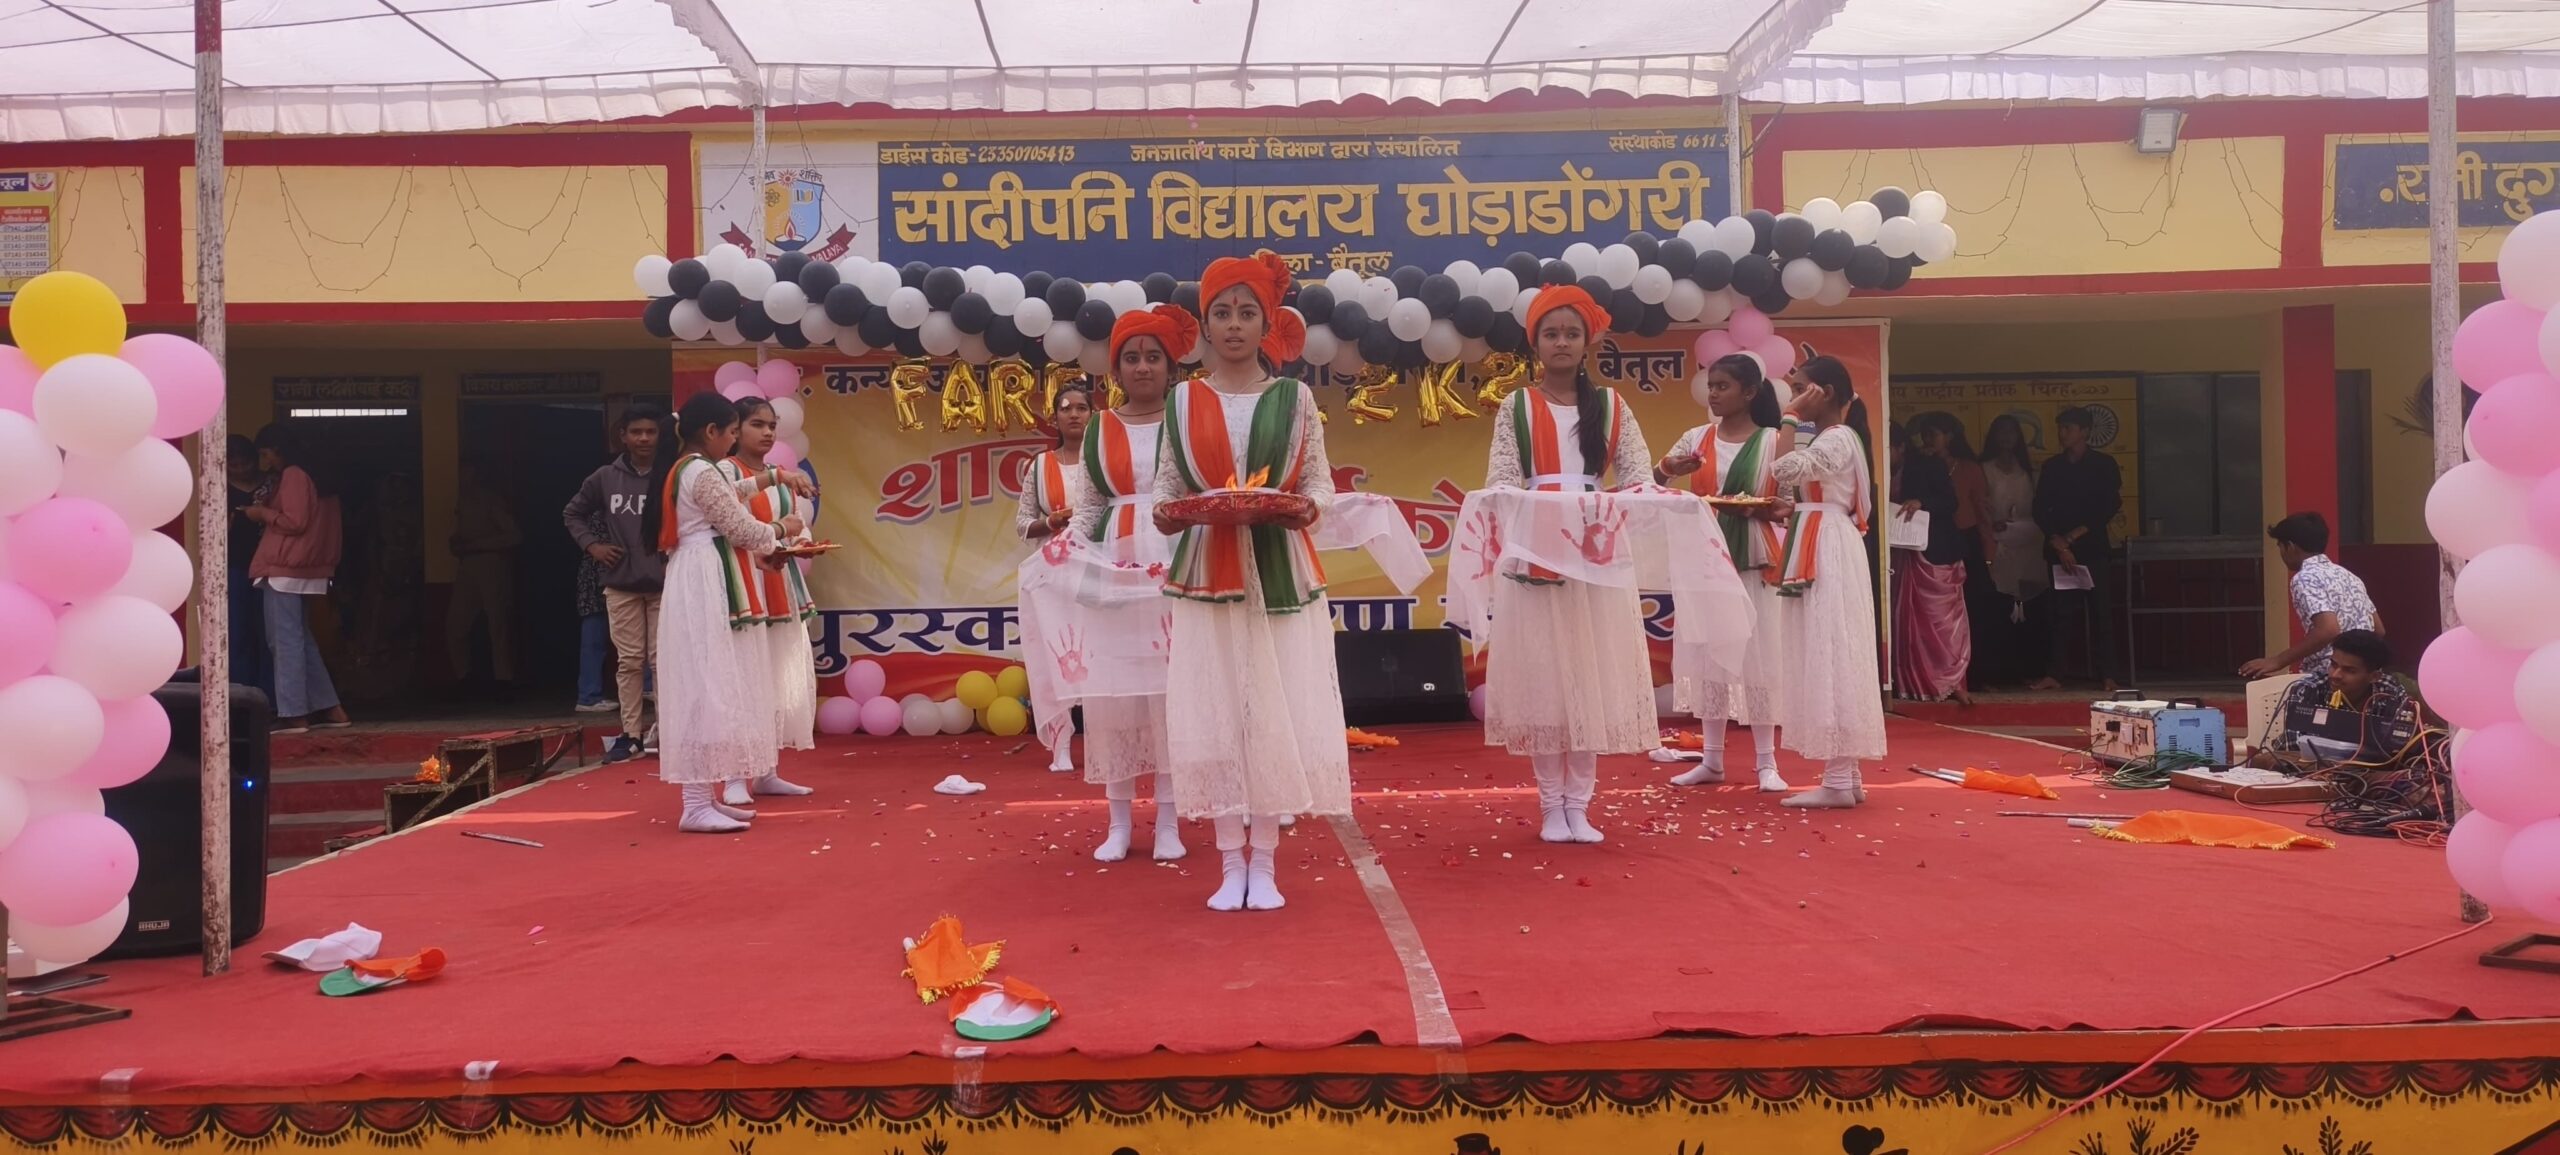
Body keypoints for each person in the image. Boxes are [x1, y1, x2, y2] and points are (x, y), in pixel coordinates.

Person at [1152, 250, 1347, 911]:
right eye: (1221, 313)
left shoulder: (1295, 398)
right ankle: (1228, 861)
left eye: (1246, 313)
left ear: (1268, 323)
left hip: (1279, 570)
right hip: (1209, 572)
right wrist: (1168, 513)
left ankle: (1263, 862)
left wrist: (1305, 507)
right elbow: (1166, 489)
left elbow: (1318, 481)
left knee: (1273, 715)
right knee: (1217, 717)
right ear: (1205, 325)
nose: (1233, 325)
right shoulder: (1183, 400)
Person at [1477, 284, 1657, 844]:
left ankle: (1580, 805)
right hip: (1535, 549)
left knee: (1588, 677)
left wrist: (1628, 504)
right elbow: (1502, 478)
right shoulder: (1516, 405)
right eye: (1551, 333)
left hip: (1595, 550)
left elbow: (1638, 476)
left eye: (1571, 333)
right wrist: (1522, 514)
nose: (1561, 342)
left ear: (1587, 343)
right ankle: (1551, 806)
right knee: (1545, 680)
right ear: (1535, 344)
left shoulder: (1612, 406)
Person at [1063, 303, 1196, 863]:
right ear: (1115, 370)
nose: (1143, 367)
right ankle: (1118, 823)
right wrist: (1068, 551)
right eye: (1132, 358)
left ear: (1170, 367)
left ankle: (1168, 821)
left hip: (1175, 561)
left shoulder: (1187, 420)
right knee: (1112, 697)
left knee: (1169, 697)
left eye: (1153, 357)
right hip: (1111, 569)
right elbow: (1089, 504)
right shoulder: (1100, 426)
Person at [651, 392, 810, 834]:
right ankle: (695, 803)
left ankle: (705, 798)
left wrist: (772, 478)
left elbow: (731, 493)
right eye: (733, 432)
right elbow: (741, 528)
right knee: (707, 684)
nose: (735, 441)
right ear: (711, 432)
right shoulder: (700, 470)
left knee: (714, 681)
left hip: (705, 574)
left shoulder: (693, 469)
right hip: (705, 579)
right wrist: (782, 528)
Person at [1656, 354, 1793, 792]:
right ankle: (1712, 760)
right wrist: (1668, 470)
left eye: (1722, 386)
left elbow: (1790, 504)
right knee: (1709, 657)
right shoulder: (1696, 439)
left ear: (1749, 392)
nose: (1712, 394)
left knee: (1759, 658)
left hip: (1755, 558)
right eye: (1711, 386)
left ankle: (1766, 763)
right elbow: (1654, 485)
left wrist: (1761, 509)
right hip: (1706, 561)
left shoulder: (1774, 441)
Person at [1769, 356, 1888, 808]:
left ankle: (1838, 780)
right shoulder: (1833, 437)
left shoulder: (1837, 436)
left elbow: (1782, 470)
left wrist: (1789, 416)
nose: (1795, 395)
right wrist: (1794, 509)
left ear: (1828, 393)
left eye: (1801, 388)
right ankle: (1846, 776)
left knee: (1830, 649)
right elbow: (1799, 486)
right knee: (1830, 647)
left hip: (1827, 545)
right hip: (1820, 536)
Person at [717, 395, 819, 807]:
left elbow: (798, 524)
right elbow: (730, 529)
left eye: (772, 425)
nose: (768, 432)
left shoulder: (782, 475)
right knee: (744, 681)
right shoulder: (727, 472)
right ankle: (733, 776)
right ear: (734, 429)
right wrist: (778, 534)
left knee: (776, 680)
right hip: (746, 584)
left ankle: (767, 771)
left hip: (780, 584)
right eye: (757, 424)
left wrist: (803, 543)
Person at [565, 404, 668, 764]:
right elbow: (572, 513)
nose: (644, 438)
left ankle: (668, 733)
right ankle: (631, 735)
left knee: (662, 661)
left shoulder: (671, 474)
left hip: (664, 583)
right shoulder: (605, 477)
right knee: (629, 661)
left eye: (650, 431)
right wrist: (592, 546)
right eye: (636, 432)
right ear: (622, 436)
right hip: (621, 584)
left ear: (660, 436)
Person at [244, 424, 351, 736]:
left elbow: (295, 521)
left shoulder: (293, 474)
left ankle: (293, 714)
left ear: (280, 449)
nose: (266, 462)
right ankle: (330, 708)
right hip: (310, 566)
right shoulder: (322, 475)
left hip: (285, 567)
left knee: (284, 642)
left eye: (266, 454)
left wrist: (261, 513)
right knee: (301, 639)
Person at [1014, 379, 1095, 775]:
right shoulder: (1040, 466)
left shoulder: (1104, 461)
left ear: (1092, 415)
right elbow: (1021, 525)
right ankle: (1061, 744)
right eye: (1066, 408)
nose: (1074, 414)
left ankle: (1105, 745)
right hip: (1054, 573)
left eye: (1081, 407)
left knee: (1098, 654)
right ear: (1055, 418)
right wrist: (1051, 522)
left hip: (1096, 571)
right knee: (1058, 655)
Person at [2030, 406, 2122, 690]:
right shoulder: (2053, 466)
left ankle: (2108, 674)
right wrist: (2058, 541)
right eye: (2060, 428)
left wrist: (2073, 537)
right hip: (2059, 550)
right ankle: (2054, 673)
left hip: (2092, 548)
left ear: (2084, 431)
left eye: (2068, 428)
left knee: (2101, 612)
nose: (2062, 433)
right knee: (2060, 614)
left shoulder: (2103, 464)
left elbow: (2108, 505)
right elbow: (2040, 508)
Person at [1889, 415, 1972, 705]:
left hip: (1934, 554)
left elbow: (1950, 502)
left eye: (1888, 448)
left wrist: (1921, 503)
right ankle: (1911, 683)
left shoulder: (1928, 464)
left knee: (1942, 623)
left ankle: (1951, 681)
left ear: (1901, 446)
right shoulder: (1877, 469)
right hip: (1902, 556)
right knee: (1908, 625)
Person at [2242, 512, 2383, 682]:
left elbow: (2328, 630)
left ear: (2290, 547)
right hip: (2361, 676)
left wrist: (2277, 661)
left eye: (2280, 546)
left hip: (2329, 675)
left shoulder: (2304, 578)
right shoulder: (2349, 576)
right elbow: (2378, 630)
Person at [2251, 630, 2417, 771]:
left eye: (2349, 670)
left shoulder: (2390, 692)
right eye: (2333, 664)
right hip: (2306, 770)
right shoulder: (2309, 688)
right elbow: (2293, 747)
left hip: (2365, 773)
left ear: (2374, 676)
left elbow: (2398, 750)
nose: (2335, 675)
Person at [1976, 415, 2046, 686]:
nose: (2006, 437)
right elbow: (1980, 504)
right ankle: (1999, 671)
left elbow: (2037, 508)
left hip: (2027, 546)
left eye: (2011, 432)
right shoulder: (1984, 469)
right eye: (2001, 432)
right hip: (1997, 544)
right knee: (1999, 606)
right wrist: (1992, 522)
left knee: (2030, 608)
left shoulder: (2027, 471)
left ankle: (2028, 669)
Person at [446, 458, 523, 700]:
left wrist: (478, 544)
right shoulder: (459, 500)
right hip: (466, 565)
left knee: (497, 622)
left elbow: (514, 535)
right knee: (455, 624)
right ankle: (463, 676)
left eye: (466, 470)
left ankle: (504, 678)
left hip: (491, 563)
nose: (462, 476)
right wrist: (457, 543)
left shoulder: (491, 500)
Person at [224, 434, 274, 704]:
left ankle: (269, 699)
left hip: (270, 567)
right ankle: (241, 699)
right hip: (235, 568)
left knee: (269, 635)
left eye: (246, 463)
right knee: (238, 634)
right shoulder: (218, 486)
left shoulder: (273, 485)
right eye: (235, 465)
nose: (242, 469)